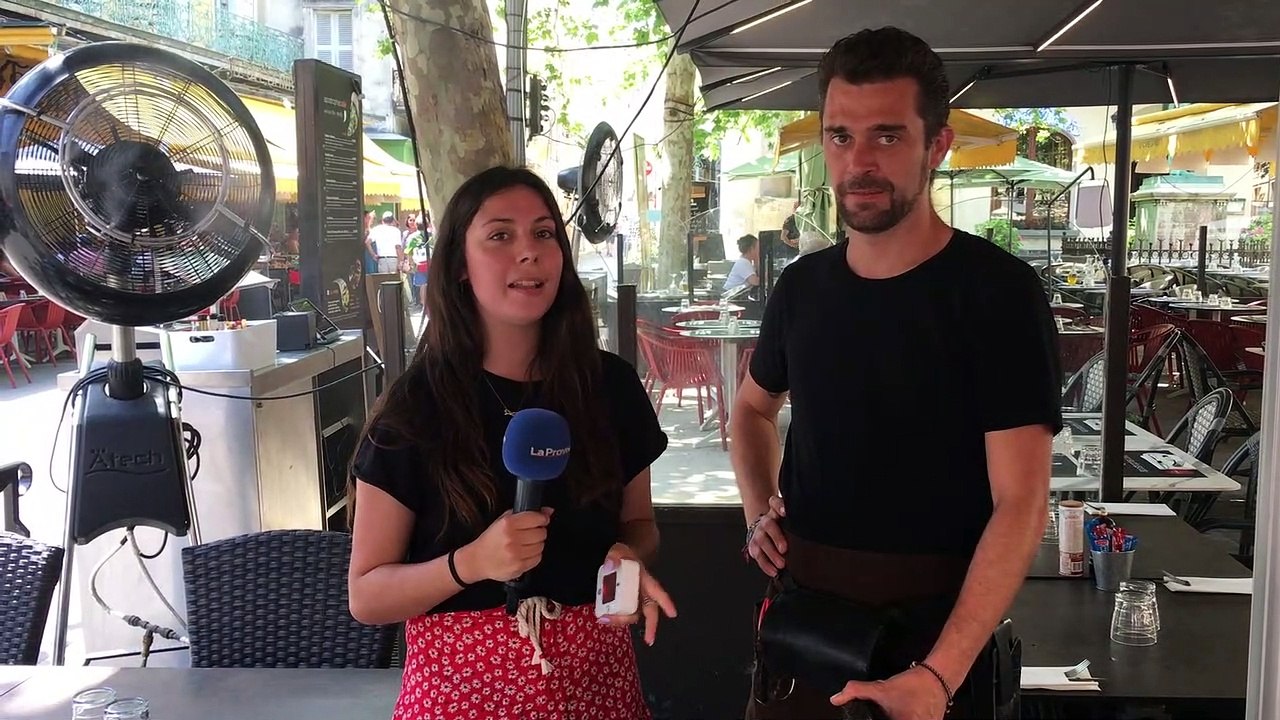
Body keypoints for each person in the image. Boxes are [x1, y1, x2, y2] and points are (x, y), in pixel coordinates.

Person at [731, 27, 1061, 720]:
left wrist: (938, 677)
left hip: (934, 639)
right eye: (840, 137)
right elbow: (752, 409)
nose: (859, 162)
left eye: (887, 136)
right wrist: (759, 504)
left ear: (937, 145)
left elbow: (1021, 504)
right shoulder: (802, 287)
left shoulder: (996, 293)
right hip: (805, 624)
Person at [347, 166, 676, 720]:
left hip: (598, 689)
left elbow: (639, 527)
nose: (529, 253)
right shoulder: (417, 407)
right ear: (457, 266)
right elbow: (368, 595)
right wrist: (469, 564)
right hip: (458, 697)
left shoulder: (611, 387)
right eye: (500, 235)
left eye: (544, 233)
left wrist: (629, 556)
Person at [367, 210, 404, 275]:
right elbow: (398, 247)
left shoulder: (376, 229)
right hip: (393, 259)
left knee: (383, 280)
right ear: (392, 220)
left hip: (382, 259)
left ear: (382, 220)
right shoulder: (396, 231)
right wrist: (401, 261)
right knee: (393, 281)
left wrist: (373, 255)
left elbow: (367, 242)